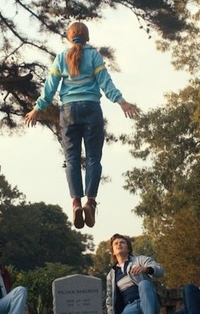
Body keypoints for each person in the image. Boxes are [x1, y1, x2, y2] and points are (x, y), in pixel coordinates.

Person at [24, 22, 140, 229]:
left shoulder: (61, 58)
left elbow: (50, 88)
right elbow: (105, 82)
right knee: (94, 158)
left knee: (71, 159)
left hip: (68, 111)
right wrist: (121, 102)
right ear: (87, 37)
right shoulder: (94, 55)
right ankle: (91, 202)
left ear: (69, 38)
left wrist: (37, 109)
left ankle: (76, 203)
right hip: (91, 108)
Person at [105, 234, 165, 314]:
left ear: (128, 248)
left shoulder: (140, 260)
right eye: (116, 243)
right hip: (131, 306)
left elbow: (160, 270)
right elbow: (109, 299)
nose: (119, 244)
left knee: (144, 284)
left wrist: (146, 269)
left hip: (148, 300)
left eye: (122, 242)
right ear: (113, 252)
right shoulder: (111, 275)